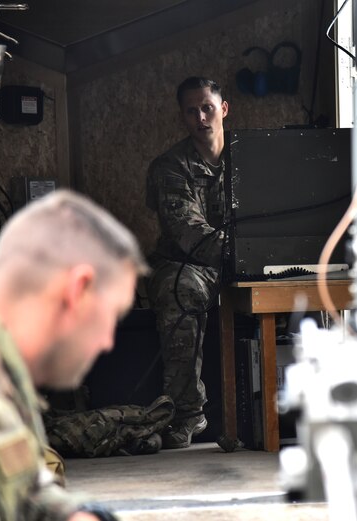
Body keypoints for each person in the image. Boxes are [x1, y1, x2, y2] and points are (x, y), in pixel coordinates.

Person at [0, 190, 148, 520]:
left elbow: (21, 487)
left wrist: (75, 514)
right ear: (77, 290)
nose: (107, 342)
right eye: (112, 315)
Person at [145, 76, 229, 449]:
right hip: (188, 264)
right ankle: (187, 413)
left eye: (207, 108)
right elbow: (188, 231)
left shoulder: (249, 158)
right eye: (192, 111)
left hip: (245, 259)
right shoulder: (171, 166)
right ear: (183, 117)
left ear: (223, 109)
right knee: (178, 292)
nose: (201, 118)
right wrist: (242, 254)